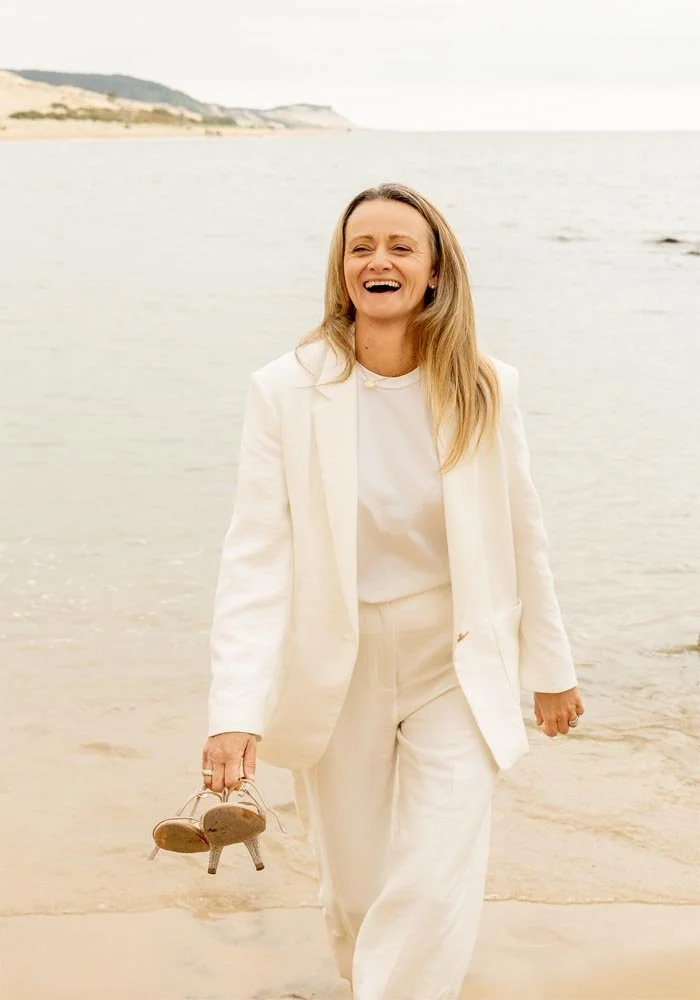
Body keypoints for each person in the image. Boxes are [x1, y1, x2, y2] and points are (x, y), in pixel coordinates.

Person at [200, 182, 585, 999]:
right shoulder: (284, 388)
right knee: (357, 889)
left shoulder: (487, 385)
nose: (379, 260)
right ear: (342, 273)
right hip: (338, 664)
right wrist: (234, 710)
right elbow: (256, 555)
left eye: (401, 247)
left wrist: (550, 665)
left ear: (436, 271)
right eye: (361, 247)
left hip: (454, 656)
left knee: (435, 868)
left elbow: (524, 531)